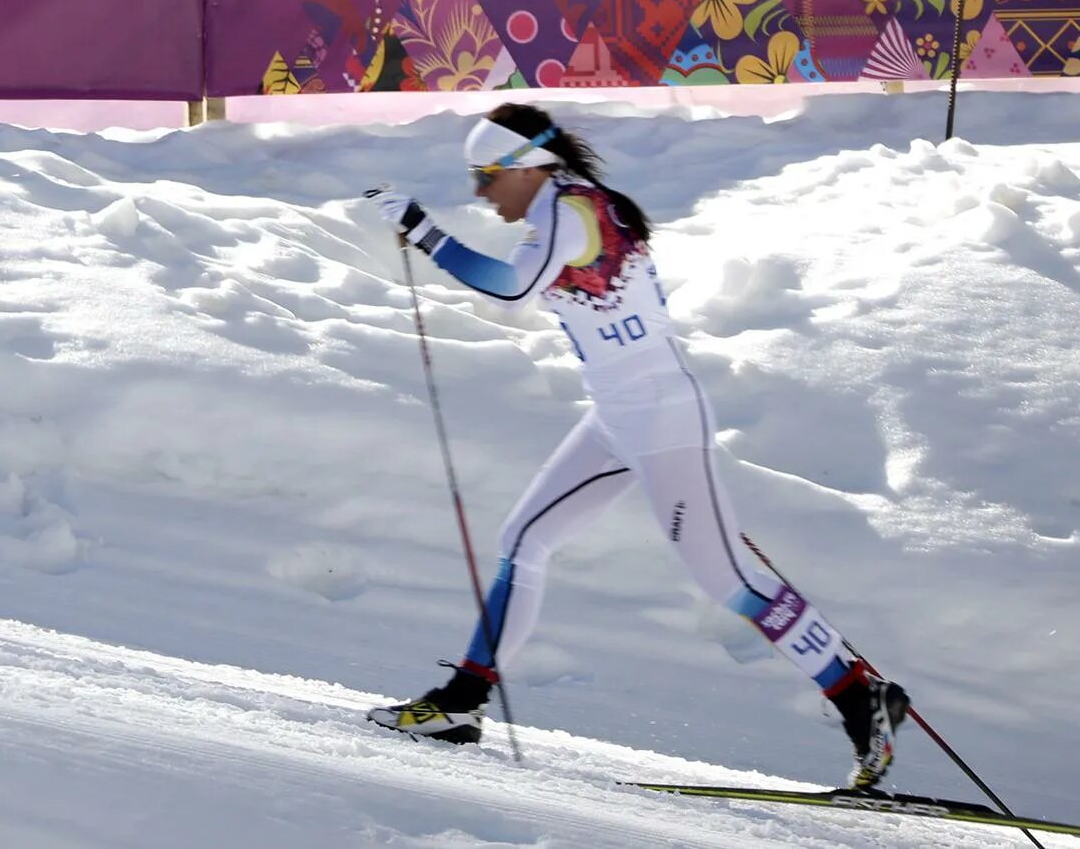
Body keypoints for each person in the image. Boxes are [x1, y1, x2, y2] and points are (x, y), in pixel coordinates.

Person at [359, 104, 911, 790]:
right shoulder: (560, 213)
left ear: (528, 166)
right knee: (525, 538)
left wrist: (425, 231)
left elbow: (510, 290)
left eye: (487, 175)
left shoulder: (571, 210)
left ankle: (863, 699)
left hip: (663, 421)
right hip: (621, 418)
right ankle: (463, 704)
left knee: (729, 581)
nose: (479, 192)